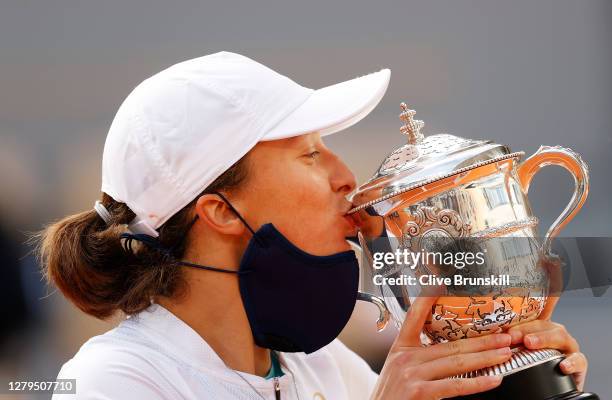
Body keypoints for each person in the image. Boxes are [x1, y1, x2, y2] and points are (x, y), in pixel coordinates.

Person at [35, 51, 588, 399]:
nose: (347, 177)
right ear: (220, 210)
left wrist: (506, 375)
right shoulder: (113, 381)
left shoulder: (319, 366)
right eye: (309, 154)